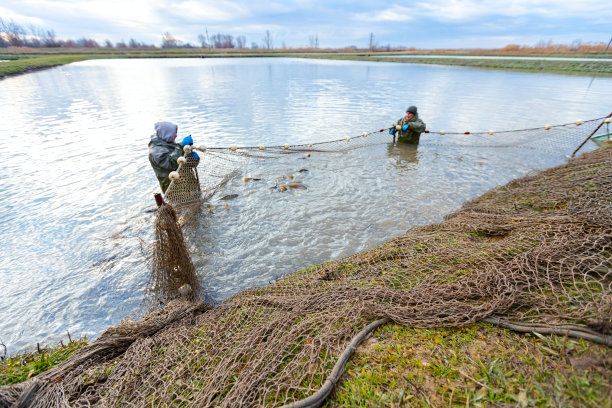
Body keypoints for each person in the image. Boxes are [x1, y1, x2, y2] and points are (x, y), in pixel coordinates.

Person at [148, 121, 198, 193]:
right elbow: (173, 164)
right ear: (166, 134)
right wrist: (182, 146)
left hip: (188, 186)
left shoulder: (166, 142)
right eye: (174, 133)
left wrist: (184, 147)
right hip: (174, 191)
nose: (176, 135)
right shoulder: (156, 152)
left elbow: (175, 152)